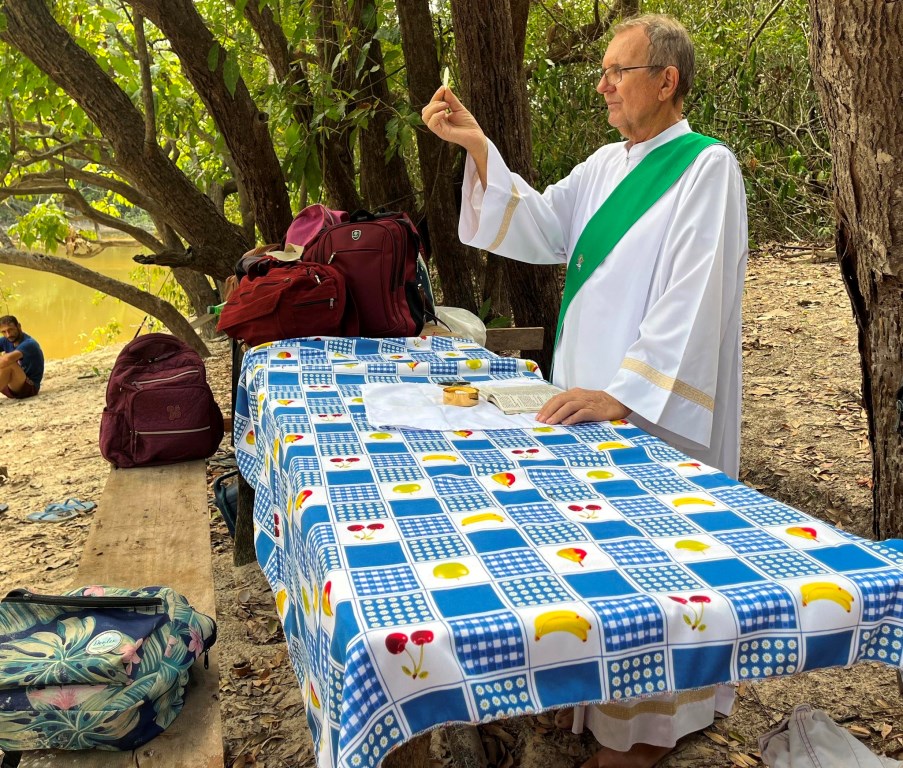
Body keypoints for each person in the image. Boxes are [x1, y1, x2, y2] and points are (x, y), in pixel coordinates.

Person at [422, 13, 748, 768]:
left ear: (665, 81)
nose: (602, 85)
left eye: (617, 72)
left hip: (651, 411)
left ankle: (646, 731)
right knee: (596, 564)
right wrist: (478, 147)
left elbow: (695, 296)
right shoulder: (604, 164)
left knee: (653, 571)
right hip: (587, 398)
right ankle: (593, 696)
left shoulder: (707, 167)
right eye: (602, 72)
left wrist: (625, 393)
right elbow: (538, 225)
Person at [0, 315, 44, 399]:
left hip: (29, 387)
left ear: (19, 326)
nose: (8, 335)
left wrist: (3, 358)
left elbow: (6, 360)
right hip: (10, 386)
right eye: (4, 332)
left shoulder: (29, 343)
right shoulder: (6, 340)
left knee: (9, 362)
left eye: (10, 330)